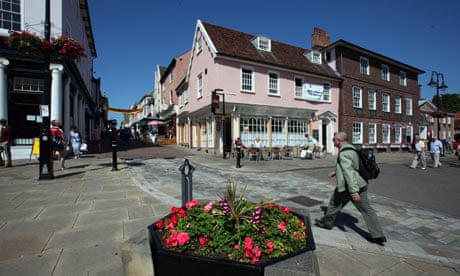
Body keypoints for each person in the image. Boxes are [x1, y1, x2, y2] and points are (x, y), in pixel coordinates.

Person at [315, 131, 387, 246]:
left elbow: (349, 173)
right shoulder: (352, 149)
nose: (333, 142)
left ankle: (327, 223)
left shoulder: (344, 153)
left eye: (334, 140)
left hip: (350, 186)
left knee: (334, 203)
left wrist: (353, 192)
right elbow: (352, 167)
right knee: (367, 209)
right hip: (361, 183)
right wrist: (336, 172)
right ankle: (378, 235)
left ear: (339, 141)